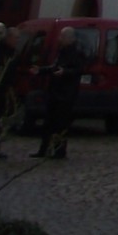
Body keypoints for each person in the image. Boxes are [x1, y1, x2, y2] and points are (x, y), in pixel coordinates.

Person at [34, 27, 86, 160]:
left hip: (66, 94)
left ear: (70, 39)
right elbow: (55, 67)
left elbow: (78, 70)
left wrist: (65, 72)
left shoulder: (77, 53)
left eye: (62, 37)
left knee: (61, 124)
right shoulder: (62, 51)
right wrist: (40, 70)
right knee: (48, 123)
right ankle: (43, 149)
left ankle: (59, 150)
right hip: (55, 92)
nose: (60, 39)